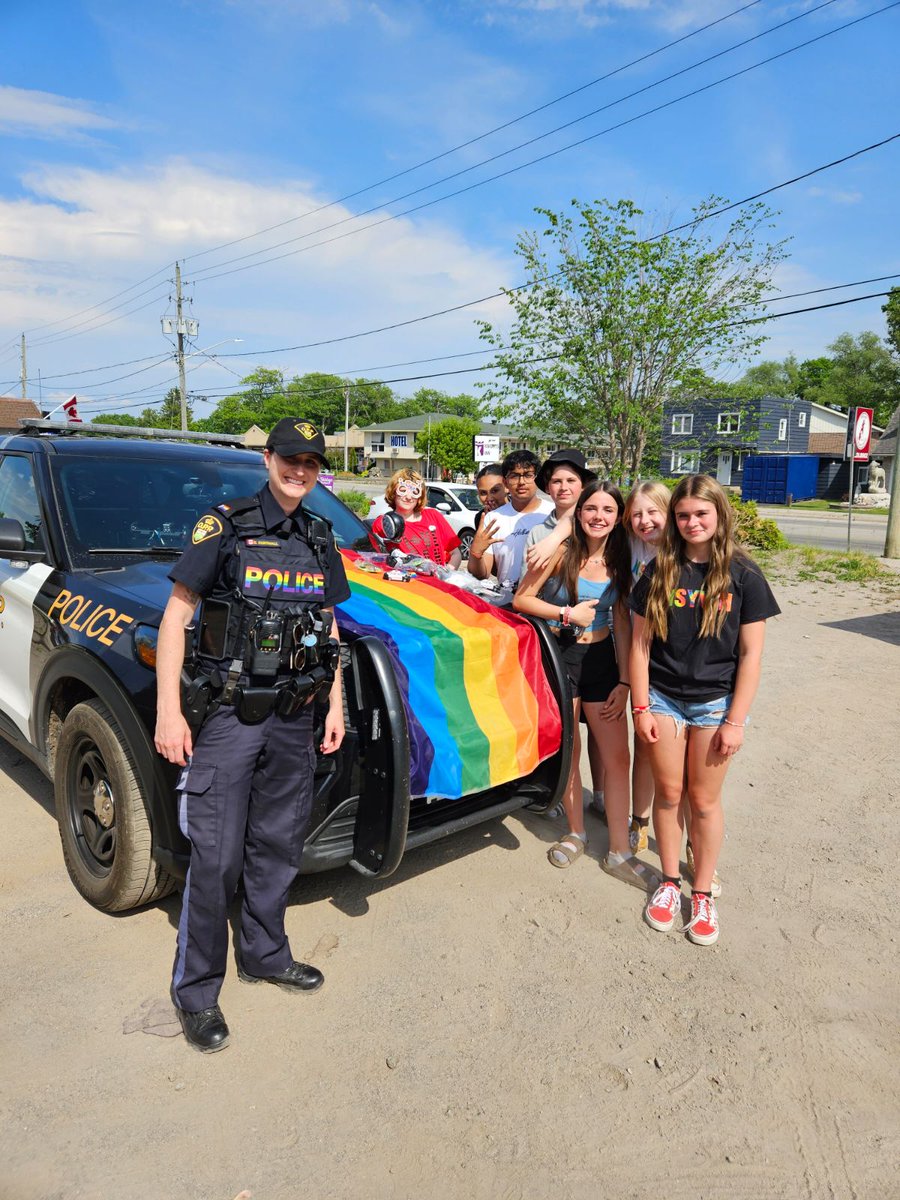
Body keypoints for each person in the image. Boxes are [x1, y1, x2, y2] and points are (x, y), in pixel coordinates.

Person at [154, 418, 350, 1052]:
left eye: (311, 463)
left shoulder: (320, 537)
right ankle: (197, 993)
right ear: (268, 459)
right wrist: (168, 712)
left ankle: (266, 954)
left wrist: (335, 704)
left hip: (296, 715)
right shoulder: (226, 525)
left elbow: (328, 628)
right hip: (231, 716)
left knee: (278, 844)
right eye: (290, 458)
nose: (300, 470)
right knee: (215, 856)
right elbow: (177, 618)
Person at [629, 474, 780, 946]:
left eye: (701, 514)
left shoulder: (744, 574)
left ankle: (702, 892)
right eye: (683, 515)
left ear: (719, 515)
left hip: (716, 703)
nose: (692, 522)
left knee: (704, 800)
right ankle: (670, 882)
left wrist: (735, 720)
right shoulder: (659, 571)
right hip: (664, 699)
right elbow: (638, 645)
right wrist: (640, 707)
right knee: (669, 795)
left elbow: (752, 655)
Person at [514, 482, 657, 891]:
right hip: (562, 660)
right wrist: (565, 612)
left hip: (603, 662)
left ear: (619, 517)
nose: (598, 516)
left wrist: (627, 680)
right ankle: (575, 832)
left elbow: (625, 621)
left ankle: (618, 851)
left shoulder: (622, 557)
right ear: (579, 514)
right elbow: (522, 599)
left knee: (617, 757)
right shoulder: (560, 552)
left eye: (608, 510)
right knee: (571, 751)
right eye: (590, 508)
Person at [621, 481, 670, 855]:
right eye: (637, 513)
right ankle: (640, 819)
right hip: (642, 655)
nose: (644, 520)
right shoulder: (630, 546)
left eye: (653, 511)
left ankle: (689, 840)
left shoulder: (683, 549)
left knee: (680, 763)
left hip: (679, 662)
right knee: (645, 742)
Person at [467, 450, 553, 590]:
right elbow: (482, 574)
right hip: (507, 602)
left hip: (547, 602)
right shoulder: (492, 519)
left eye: (528, 475)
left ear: (538, 478)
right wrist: (476, 553)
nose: (521, 482)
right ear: (506, 482)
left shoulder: (553, 513)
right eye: (514, 476)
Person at [371, 468, 462, 568]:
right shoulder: (385, 523)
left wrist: (446, 575)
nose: (409, 497)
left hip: (437, 581)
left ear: (420, 495)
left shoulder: (433, 516)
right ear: (393, 492)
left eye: (415, 491)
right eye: (403, 490)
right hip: (409, 582)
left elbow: (456, 553)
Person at [473, 462, 506, 531]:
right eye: (483, 493)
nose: (489, 498)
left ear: (507, 487)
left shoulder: (521, 509)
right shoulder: (481, 517)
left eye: (495, 491)